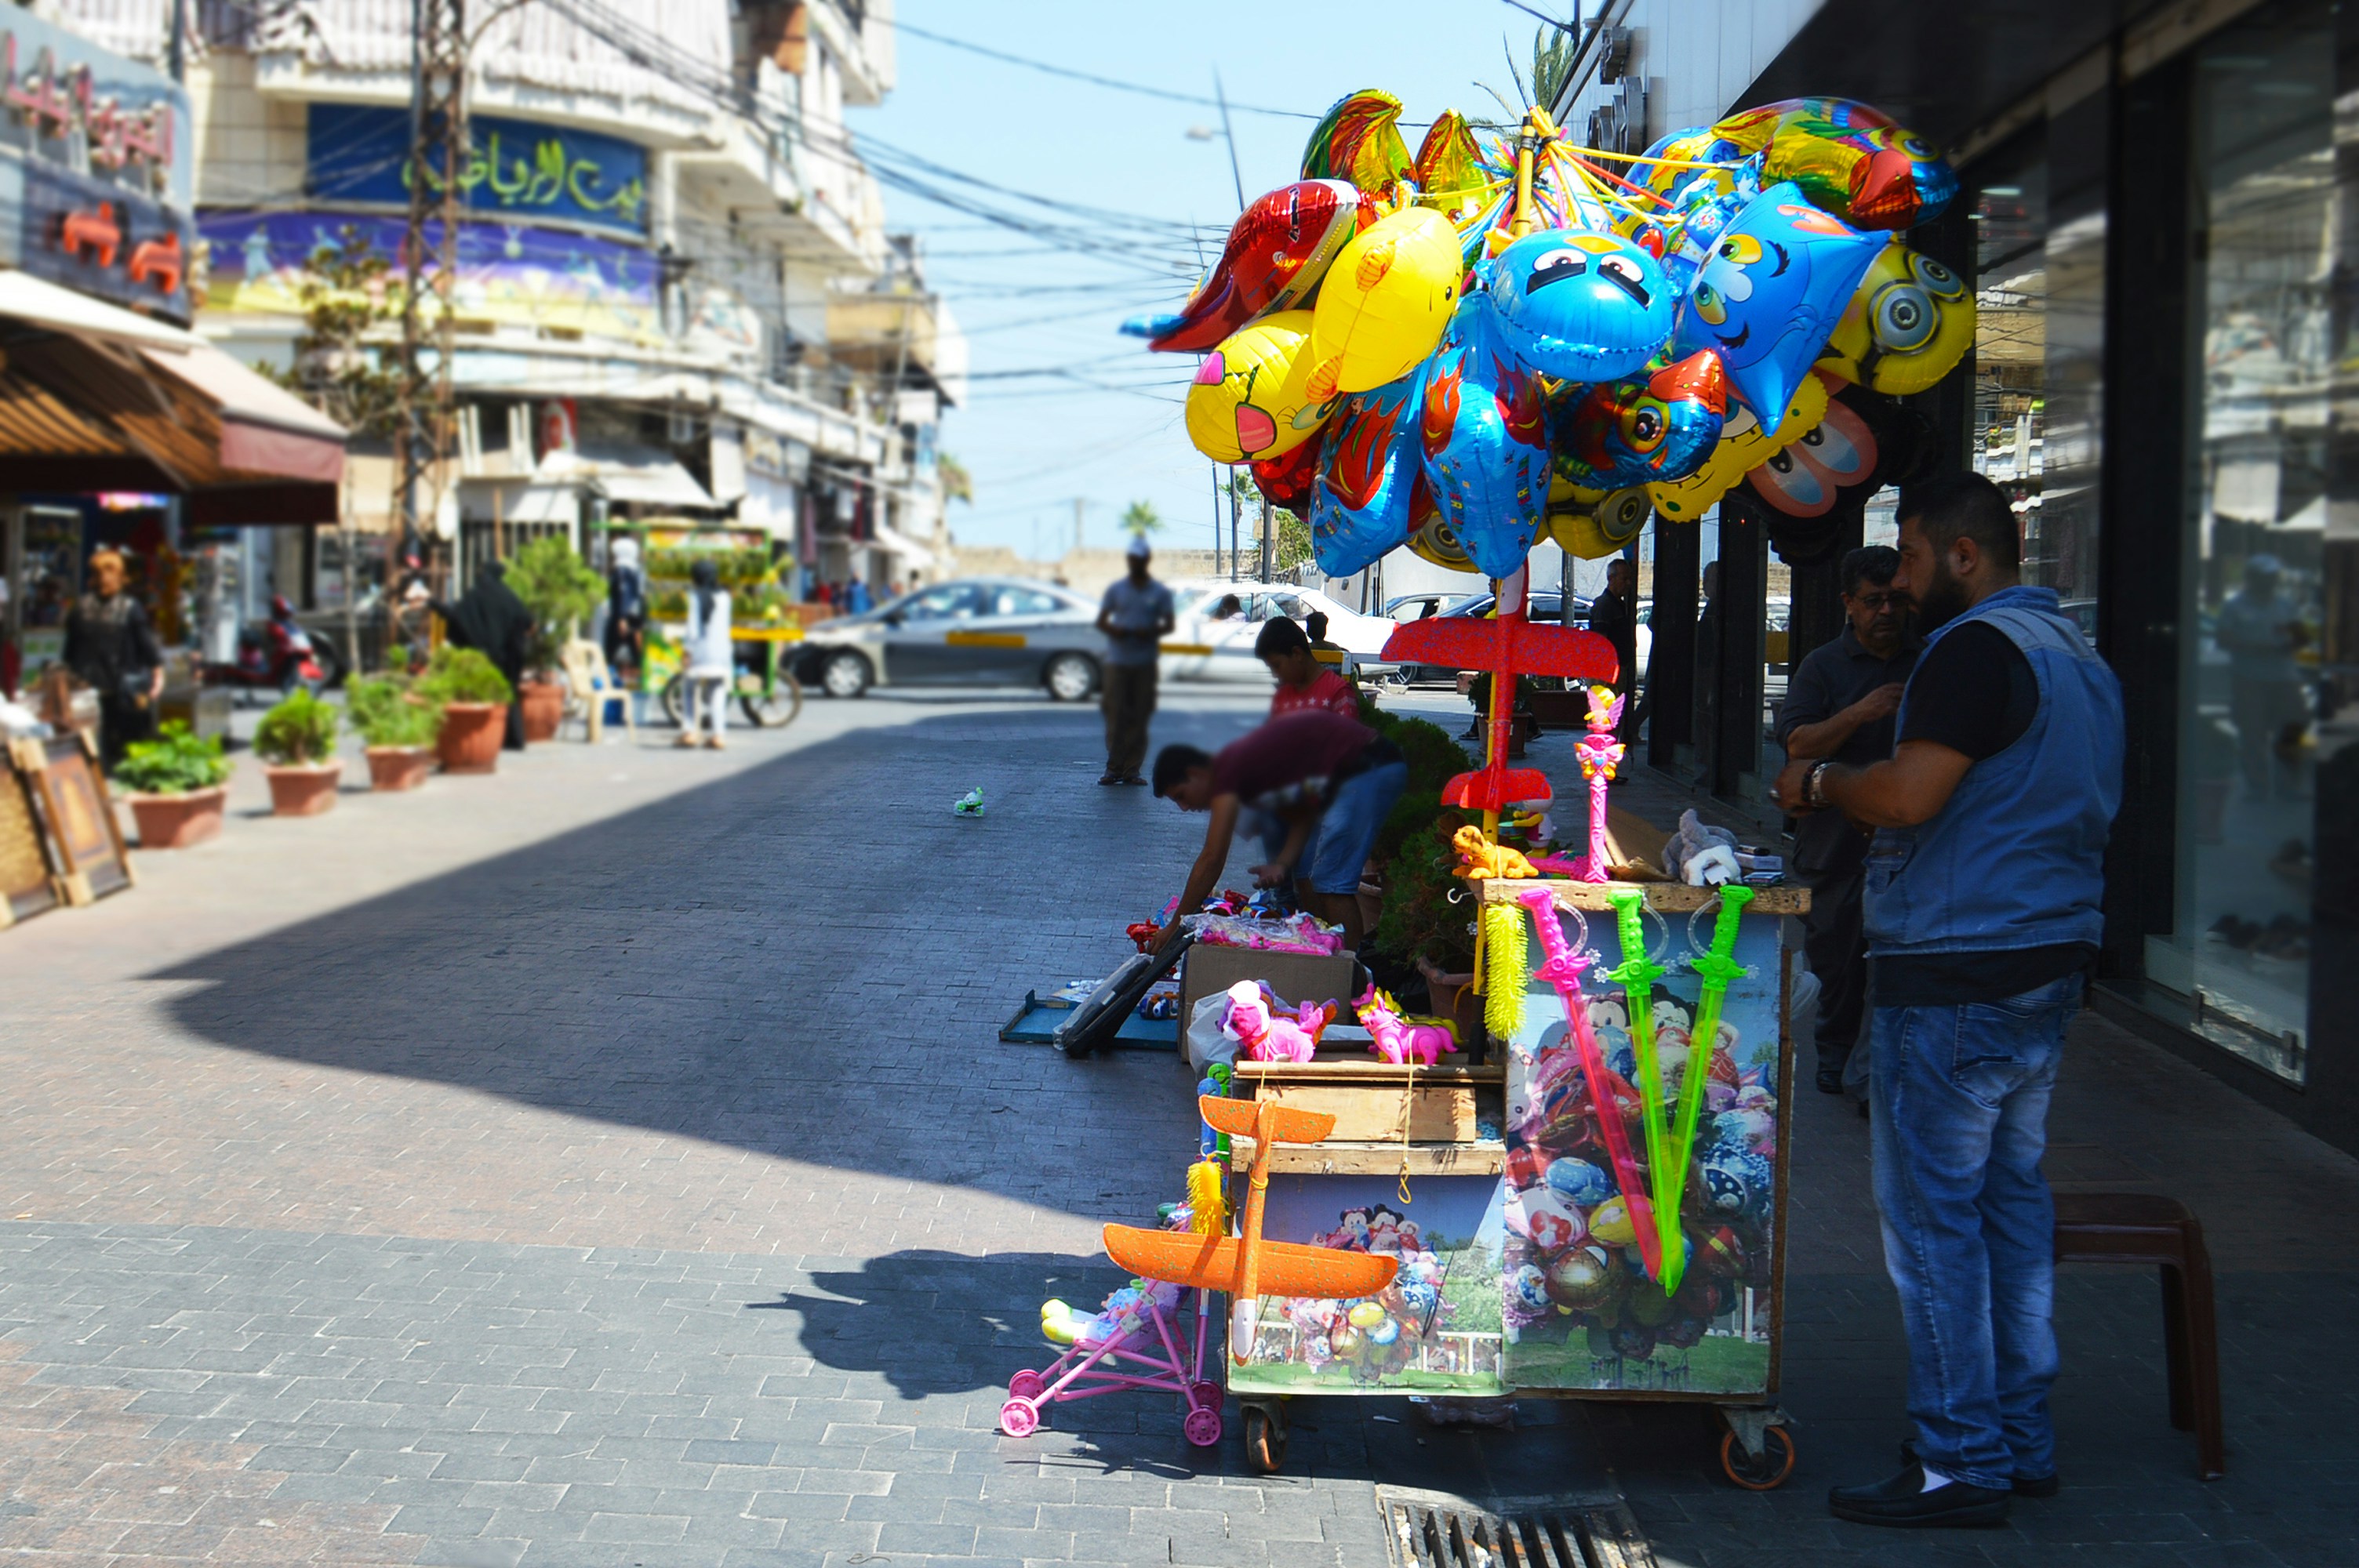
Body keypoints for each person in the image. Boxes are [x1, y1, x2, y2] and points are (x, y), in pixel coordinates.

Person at [1774, 472, 2123, 1528]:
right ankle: (2017, 1439)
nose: (1904, 579)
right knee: (2007, 1209)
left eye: (1915, 559)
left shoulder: (1975, 650)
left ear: (1965, 556)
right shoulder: (2082, 659)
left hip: (1961, 968)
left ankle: (1958, 1457)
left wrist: (1820, 786)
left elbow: (1909, 797)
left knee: (1934, 1225)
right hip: (2045, 963)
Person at [1773, 545, 1921, 1098]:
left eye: (1895, 600)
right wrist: (1861, 711)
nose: (1886, 611)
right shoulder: (1823, 667)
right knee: (1837, 961)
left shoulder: (1928, 658)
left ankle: (1877, 1069)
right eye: (1873, 601)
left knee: (1894, 964)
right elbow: (1797, 743)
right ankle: (1834, 1056)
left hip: (1909, 844)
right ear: (1849, 605)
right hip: (1834, 845)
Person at [1151, 709, 1406, 952]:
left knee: (1331, 881)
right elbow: (1301, 816)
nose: (1184, 808)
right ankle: (1327, 956)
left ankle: (1355, 974)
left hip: (1369, 765)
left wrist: (1174, 926)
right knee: (1305, 871)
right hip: (1356, 769)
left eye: (1181, 796)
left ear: (1196, 773)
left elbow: (1212, 858)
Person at [2214, 554, 2307, 798]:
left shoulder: (2285, 605)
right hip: (2249, 679)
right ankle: (2258, 786)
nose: (2269, 581)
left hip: (2285, 677)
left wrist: (2289, 644)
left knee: (2292, 729)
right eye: (2264, 577)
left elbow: (2301, 637)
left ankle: (2289, 785)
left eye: (2272, 577)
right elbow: (2223, 638)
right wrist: (2255, 647)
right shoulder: (2235, 606)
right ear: (2252, 578)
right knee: (2252, 734)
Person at [63, 548, 162, 771]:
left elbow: (69, 649)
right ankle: (115, 770)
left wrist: (68, 677)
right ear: (121, 575)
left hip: (85, 681)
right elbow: (145, 644)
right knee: (122, 731)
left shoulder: (79, 607)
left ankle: (96, 773)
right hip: (120, 682)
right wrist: (158, 672)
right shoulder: (130, 607)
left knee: (91, 732)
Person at [1094, 538, 1175, 785]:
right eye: (1132, 559)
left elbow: (1168, 624)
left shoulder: (1159, 593)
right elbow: (1102, 621)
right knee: (1116, 716)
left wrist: (1149, 632)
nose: (1135, 563)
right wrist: (1115, 630)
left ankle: (1132, 770)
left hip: (1144, 663)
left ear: (1146, 561)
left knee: (1138, 717)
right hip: (1117, 662)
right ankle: (1113, 768)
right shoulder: (1117, 590)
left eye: (1139, 560)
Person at [437, 559, 533, 750]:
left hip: (481, 658)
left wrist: (434, 605)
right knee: (508, 695)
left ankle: (484, 738)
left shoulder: (474, 596)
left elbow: (457, 618)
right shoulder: (509, 597)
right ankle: (514, 739)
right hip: (507, 657)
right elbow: (527, 621)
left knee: (481, 697)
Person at [1259, 616, 1360, 720]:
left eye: (1277, 666)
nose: (1275, 674)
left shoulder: (1339, 693)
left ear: (1297, 654)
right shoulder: (1281, 694)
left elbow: (1346, 734)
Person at [681, 556, 732, 750]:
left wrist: (687, 651)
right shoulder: (726, 598)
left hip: (700, 653)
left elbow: (693, 628)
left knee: (688, 689)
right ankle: (718, 735)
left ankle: (689, 732)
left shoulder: (694, 597)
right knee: (717, 691)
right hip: (721, 653)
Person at [1587, 556, 1639, 742]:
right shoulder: (1605, 605)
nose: (1628, 583)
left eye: (1629, 579)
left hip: (1618, 670)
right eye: (1624, 579)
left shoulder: (1620, 604)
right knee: (1605, 720)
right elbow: (1600, 642)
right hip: (1607, 674)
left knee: (1614, 720)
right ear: (1611, 578)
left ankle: (1610, 766)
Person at [605, 535, 648, 688]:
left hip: (622, 620)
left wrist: (622, 618)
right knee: (636, 657)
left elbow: (624, 594)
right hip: (635, 620)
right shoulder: (634, 570)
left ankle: (616, 687)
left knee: (612, 655)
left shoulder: (622, 571)